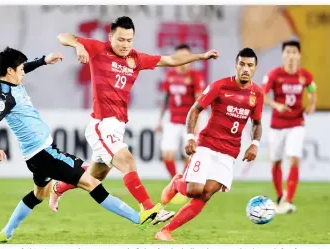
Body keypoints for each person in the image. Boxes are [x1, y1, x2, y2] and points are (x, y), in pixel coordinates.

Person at [48, 16, 218, 225]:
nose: (125, 45)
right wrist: (77, 45)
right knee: (127, 161)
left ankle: (58, 187)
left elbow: (171, 60)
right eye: (120, 40)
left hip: (117, 126)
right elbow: (62, 36)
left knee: (94, 177)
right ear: (110, 37)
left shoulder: (136, 59)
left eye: (129, 40)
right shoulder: (98, 49)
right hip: (101, 124)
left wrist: (202, 56)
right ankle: (148, 209)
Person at [0, 47, 156, 243]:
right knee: (91, 183)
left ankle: (6, 232)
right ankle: (139, 218)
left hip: (35, 156)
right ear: (10, 70)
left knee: (39, 194)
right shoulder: (3, 97)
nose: (24, 71)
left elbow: (25, 68)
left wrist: (43, 59)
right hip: (45, 154)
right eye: (21, 68)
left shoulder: (5, 81)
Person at [155, 48, 264, 241]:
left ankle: (166, 231)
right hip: (206, 145)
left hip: (229, 153)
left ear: (255, 68)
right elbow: (195, 110)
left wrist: (254, 143)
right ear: (236, 66)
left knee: (206, 194)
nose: (245, 69)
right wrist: (190, 136)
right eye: (242, 64)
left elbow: (256, 122)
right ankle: (176, 183)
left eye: (250, 65)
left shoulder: (257, 94)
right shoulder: (219, 86)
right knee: (193, 190)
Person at [262, 40, 317, 214]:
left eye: (294, 52)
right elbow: (262, 94)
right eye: (288, 52)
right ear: (283, 54)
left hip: (296, 123)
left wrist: (311, 105)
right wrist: (276, 105)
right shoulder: (274, 74)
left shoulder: (305, 75)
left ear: (299, 55)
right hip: (277, 125)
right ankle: (279, 195)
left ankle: (288, 199)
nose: (291, 56)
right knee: (276, 161)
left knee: (294, 159)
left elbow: (312, 90)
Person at [155, 44, 206, 178]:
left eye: (186, 56)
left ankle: (182, 183)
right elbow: (166, 98)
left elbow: (199, 102)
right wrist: (160, 120)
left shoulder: (195, 76)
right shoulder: (170, 74)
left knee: (188, 155)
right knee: (167, 154)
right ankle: (175, 182)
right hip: (173, 120)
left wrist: (196, 124)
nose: (183, 59)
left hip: (189, 122)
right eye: (180, 56)